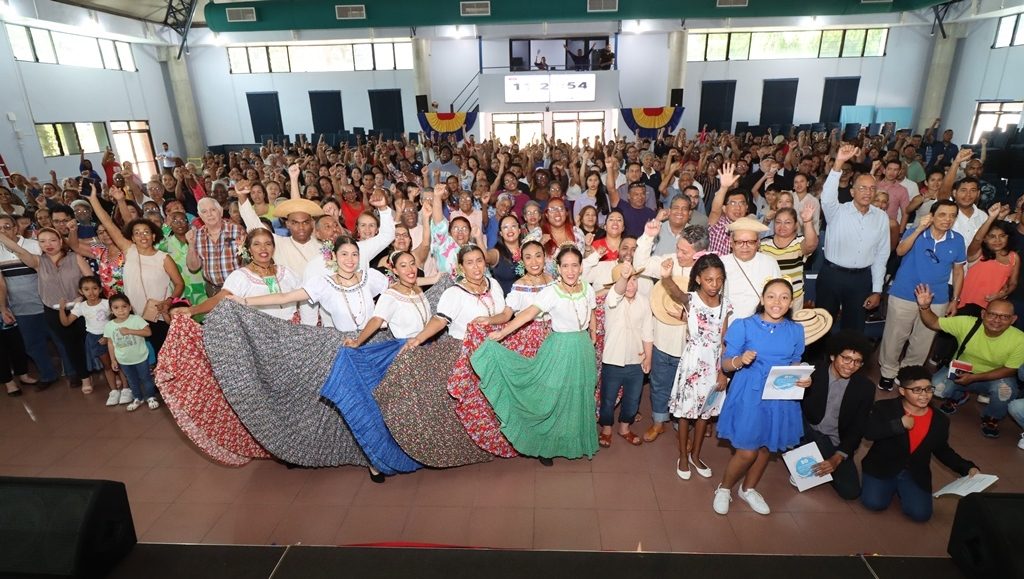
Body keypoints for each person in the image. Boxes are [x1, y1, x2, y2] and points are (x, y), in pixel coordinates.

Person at [472, 246, 599, 463]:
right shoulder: (551, 291)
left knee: (580, 393)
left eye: (574, 266)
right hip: (559, 349)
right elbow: (528, 314)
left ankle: (573, 440)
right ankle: (546, 445)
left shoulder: (588, 288)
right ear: (558, 268)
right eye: (565, 266)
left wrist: (593, 333)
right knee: (553, 396)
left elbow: (592, 311)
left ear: (581, 268)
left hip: (583, 348)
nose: (570, 271)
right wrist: (502, 333)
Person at [713, 279, 809, 516]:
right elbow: (726, 364)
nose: (777, 302)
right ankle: (724, 488)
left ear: (791, 302)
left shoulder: (796, 330)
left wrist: (803, 378)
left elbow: (795, 362)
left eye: (784, 297)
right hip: (749, 392)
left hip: (779, 394)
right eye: (771, 296)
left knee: (767, 446)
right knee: (747, 451)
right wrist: (740, 360)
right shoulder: (744, 326)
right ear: (762, 299)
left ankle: (748, 489)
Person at [860, 365, 979, 522]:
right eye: (916, 390)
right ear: (902, 391)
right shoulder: (884, 408)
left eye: (928, 389)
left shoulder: (940, 420)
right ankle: (886, 486)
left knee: (921, 515)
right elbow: (869, 433)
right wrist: (899, 425)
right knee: (874, 503)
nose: (924, 395)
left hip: (914, 472)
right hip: (882, 467)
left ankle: (902, 488)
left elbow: (942, 450)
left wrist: (967, 467)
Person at [914, 283, 1024, 439]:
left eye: (1004, 317)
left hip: (996, 377)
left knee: (1005, 391)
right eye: (992, 314)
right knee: (937, 388)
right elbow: (934, 323)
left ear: (1013, 320)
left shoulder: (1020, 339)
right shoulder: (967, 323)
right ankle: (958, 395)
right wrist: (925, 307)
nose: (997, 320)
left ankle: (991, 417)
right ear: (983, 314)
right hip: (961, 371)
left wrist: (974, 377)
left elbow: (1011, 369)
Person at [877, 199, 966, 391]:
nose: (947, 219)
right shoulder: (916, 232)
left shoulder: (957, 239)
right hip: (904, 293)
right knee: (895, 335)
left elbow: (958, 271)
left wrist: (955, 300)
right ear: (932, 216)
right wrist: (919, 229)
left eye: (952, 216)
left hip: (937, 298)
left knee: (923, 340)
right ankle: (888, 372)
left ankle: (909, 372)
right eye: (942, 214)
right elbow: (900, 251)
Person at [634, 224, 710, 441]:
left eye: (685, 252)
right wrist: (648, 236)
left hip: (690, 345)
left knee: (686, 387)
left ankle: (681, 423)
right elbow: (640, 264)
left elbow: (713, 308)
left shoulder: (708, 272)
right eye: (678, 248)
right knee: (659, 383)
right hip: (662, 339)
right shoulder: (670, 261)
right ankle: (659, 422)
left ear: (700, 252)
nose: (679, 254)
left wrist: (690, 316)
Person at [87, 188, 183, 353]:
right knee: (138, 354)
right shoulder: (128, 250)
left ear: (154, 236)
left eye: (146, 232)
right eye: (137, 233)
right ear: (132, 237)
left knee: (167, 353)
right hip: (133, 316)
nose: (142, 236)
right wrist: (93, 199)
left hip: (159, 315)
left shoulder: (163, 258)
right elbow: (108, 223)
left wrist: (169, 301)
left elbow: (179, 284)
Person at [662, 253, 731, 480]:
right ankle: (683, 455)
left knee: (705, 413)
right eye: (709, 279)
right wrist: (666, 277)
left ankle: (695, 455)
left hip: (714, 364)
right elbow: (675, 292)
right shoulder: (690, 299)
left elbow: (724, 340)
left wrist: (723, 372)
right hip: (693, 362)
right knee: (685, 413)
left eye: (719, 279)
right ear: (699, 279)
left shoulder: (725, 305)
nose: (714, 284)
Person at [0, 226, 93, 390]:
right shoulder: (38, 261)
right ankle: (85, 378)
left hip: (80, 308)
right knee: (70, 344)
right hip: (53, 310)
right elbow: (19, 250)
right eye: (42, 241)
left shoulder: (75, 257)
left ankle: (90, 372)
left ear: (60, 241)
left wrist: (82, 298)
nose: (48, 244)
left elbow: (90, 280)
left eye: (52, 240)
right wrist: (1, 236)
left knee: (86, 342)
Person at [233, 236, 388, 332]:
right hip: (345, 345)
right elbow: (284, 297)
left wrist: (384, 317)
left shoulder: (371, 277)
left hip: (375, 341)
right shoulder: (324, 284)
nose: (350, 259)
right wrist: (245, 301)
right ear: (334, 256)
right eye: (344, 254)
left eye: (354, 254)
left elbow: (393, 293)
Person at [817, 144, 890, 332]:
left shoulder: (881, 217)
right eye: (862, 188)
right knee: (822, 327)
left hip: (861, 280)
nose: (868, 192)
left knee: (854, 330)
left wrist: (877, 290)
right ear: (852, 191)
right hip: (832, 276)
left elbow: (881, 255)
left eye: (872, 188)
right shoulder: (836, 212)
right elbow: (827, 197)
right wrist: (838, 163)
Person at [800, 331, 875, 500]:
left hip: (834, 442)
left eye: (857, 361)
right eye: (846, 358)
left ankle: (817, 461)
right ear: (833, 356)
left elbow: (858, 428)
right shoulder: (813, 373)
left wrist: (837, 457)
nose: (851, 365)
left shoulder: (865, 388)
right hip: (807, 431)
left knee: (851, 491)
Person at [180, 228, 302, 321]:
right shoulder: (241, 276)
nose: (263, 248)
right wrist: (193, 310)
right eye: (257, 244)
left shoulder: (286, 272)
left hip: (293, 331)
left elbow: (304, 294)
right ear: (249, 249)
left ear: (273, 248)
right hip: (261, 337)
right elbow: (219, 299)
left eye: (268, 244)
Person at [598, 261, 653, 448]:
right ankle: (606, 429)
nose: (630, 285)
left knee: (633, 398)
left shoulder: (644, 302)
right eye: (626, 281)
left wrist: (648, 358)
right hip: (613, 360)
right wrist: (623, 277)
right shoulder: (612, 298)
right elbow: (618, 291)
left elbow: (647, 332)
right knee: (608, 399)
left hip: (636, 360)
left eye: (634, 280)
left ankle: (624, 428)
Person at [58, 276, 126, 403]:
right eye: (86, 289)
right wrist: (62, 309)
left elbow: (118, 320)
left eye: (94, 288)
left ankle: (126, 389)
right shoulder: (81, 307)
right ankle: (114, 391)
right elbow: (66, 322)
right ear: (80, 291)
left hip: (112, 336)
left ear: (100, 289)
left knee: (120, 363)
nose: (91, 292)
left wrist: (107, 336)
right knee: (107, 366)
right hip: (96, 339)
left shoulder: (107, 303)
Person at [958, 207, 1018, 318]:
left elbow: (1013, 283)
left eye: (1002, 236)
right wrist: (991, 218)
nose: (997, 240)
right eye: (992, 236)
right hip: (964, 304)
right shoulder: (977, 252)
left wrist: (1002, 294)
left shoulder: (1013, 257)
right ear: (985, 239)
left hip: (990, 310)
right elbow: (977, 239)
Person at [103, 294, 159, 412]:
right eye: (116, 307)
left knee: (145, 378)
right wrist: (113, 360)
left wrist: (130, 331)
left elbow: (148, 332)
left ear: (129, 307)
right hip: (123, 360)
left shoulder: (136, 319)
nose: (121, 310)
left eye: (124, 306)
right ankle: (138, 398)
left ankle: (151, 397)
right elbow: (110, 343)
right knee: (131, 380)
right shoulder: (109, 325)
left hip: (140, 357)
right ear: (111, 310)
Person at [759, 205, 818, 311]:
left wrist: (807, 221)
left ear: (796, 225)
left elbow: (811, 245)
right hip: (770, 299)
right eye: (778, 222)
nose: (782, 226)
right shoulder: (764, 243)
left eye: (787, 222)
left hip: (794, 299)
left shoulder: (799, 242)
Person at [721, 217, 782, 320]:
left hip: (761, 323)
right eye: (739, 242)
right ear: (731, 242)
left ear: (758, 242)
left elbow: (778, 295)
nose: (745, 246)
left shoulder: (770, 263)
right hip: (729, 323)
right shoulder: (721, 264)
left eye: (751, 242)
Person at [187, 197, 244, 297]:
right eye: (204, 212)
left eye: (213, 210)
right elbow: (193, 267)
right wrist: (191, 245)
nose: (209, 214)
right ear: (200, 216)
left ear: (221, 211)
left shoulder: (237, 230)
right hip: (213, 290)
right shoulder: (196, 236)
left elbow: (249, 260)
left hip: (238, 289)